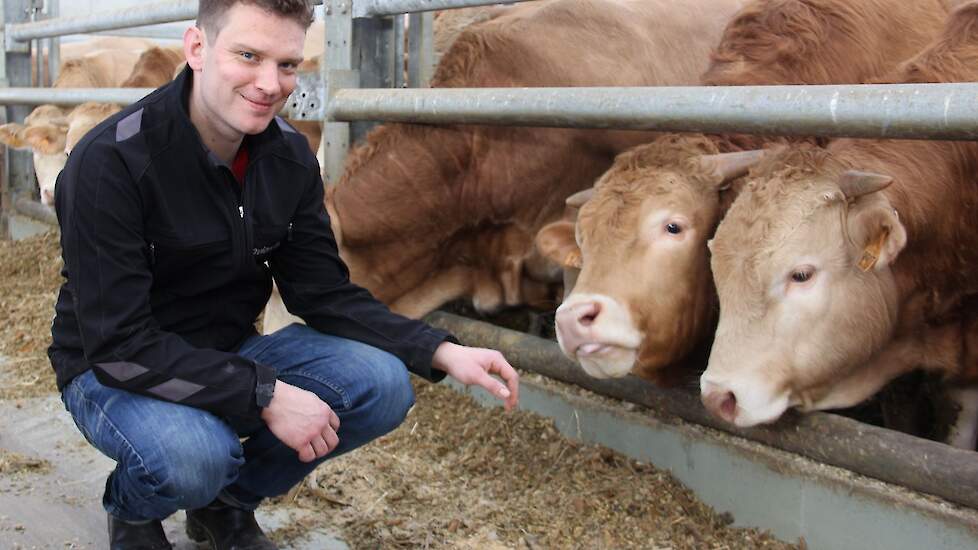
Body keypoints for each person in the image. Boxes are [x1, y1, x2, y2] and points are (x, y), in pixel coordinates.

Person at [47, 1, 520, 548]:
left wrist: (440, 350)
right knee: (196, 454)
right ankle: (133, 506)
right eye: (248, 55)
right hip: (111, 370)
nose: (270, 84)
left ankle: (226, 503)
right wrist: (267, 394)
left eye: (288, 65)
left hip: (225, 349)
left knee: (383, 385)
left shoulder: (288, 157)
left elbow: (323, 293)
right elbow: (120, 345)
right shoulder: (110, 162)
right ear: (197, 48)